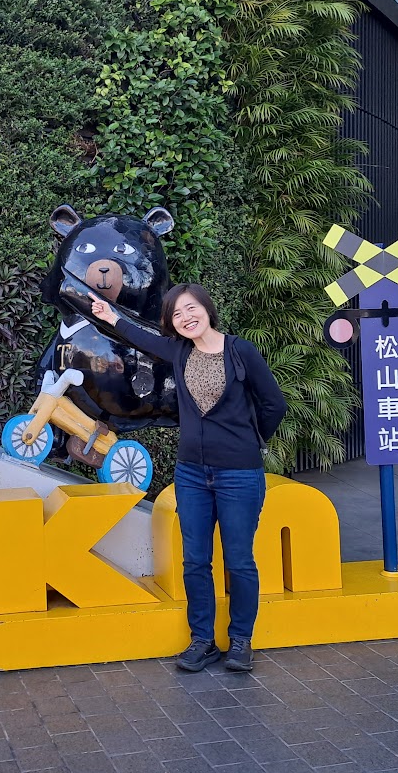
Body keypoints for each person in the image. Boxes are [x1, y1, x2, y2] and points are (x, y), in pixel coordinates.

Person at [89, 284, 287, 673]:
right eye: (177, 315)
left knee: (239, 560)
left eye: (191, 309)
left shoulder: (239, 350)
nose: (186, 318)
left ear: (207, 310)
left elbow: (273, 404)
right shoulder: (179, 351)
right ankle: (203, 641)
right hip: (192, 474)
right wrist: (111, 316)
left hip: (239, 474)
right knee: (195, 561)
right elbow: (140, 337)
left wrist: (250, 439)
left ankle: (241, 641)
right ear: (173, 324)